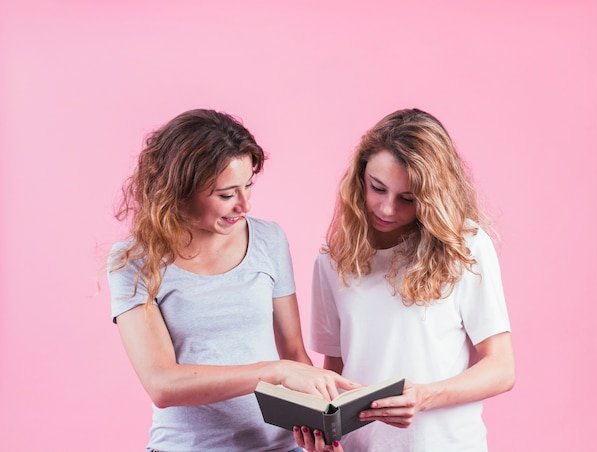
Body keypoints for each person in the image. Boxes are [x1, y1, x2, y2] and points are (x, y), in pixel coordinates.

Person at [107, 109, 357, 452]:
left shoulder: (269, 239)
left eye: (248, 186)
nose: (244, 205)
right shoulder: (135, 260)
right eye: (226, 194)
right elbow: (162, 383)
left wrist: (320, 425)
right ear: (180, 191)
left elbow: (295, 353)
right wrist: (274, 372)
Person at [295, 108, 515, 451]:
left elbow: (502, 368)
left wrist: (424, 397)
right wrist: (328, 435)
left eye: (407, 199)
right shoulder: (332, 259)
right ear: (360, 177)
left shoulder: (465, 245)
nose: (386, 208)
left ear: (432, 197)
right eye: (377, 188)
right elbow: (337, 372)